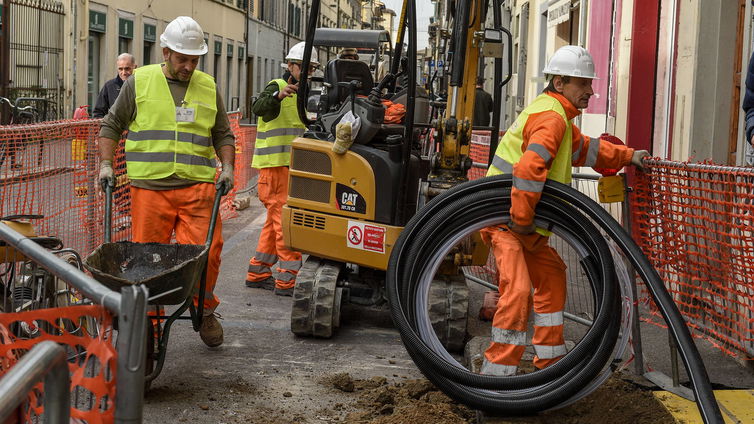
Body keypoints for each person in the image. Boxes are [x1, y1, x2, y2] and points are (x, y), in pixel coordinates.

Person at [480, 45, 649, 376]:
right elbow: (529, 170)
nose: (591, 91)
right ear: (560, 83)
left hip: (523, 223)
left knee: (553, 276)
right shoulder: (552, 118)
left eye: (590, 83)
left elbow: (589, 150)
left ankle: (550, 367)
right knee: (517, 291)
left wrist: (628, 157)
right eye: (583, 83)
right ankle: (497, 379)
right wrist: (523, 220)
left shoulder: (558, 118)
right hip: (507, 219)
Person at [97, 16, 235, 348]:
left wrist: (228, 166)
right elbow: (111, 124)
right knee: (147, 264)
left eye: (194, 59)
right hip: (150, 190)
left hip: (197, 189)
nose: (189, 66)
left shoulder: (208, 85)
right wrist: (105, 164)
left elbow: (222, 133)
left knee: (209, 253)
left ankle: (204, 310)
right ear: (165, 52)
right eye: (182, 58)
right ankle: (149, 324)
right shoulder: (139, 81)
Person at [245, 42, 318, 297]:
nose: (307, 72)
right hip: (275, 167)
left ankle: (258, 271)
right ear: (291, 66)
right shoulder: (277, 86)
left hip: (289, 167)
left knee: (274, 222)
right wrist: (279, 95)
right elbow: (259, 108)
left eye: (312, 68)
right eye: (304, 67)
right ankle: (288, 279)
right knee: (285, 221)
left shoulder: (306, 94)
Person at [93, 53, 137, 118]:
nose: (124, 73)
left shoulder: (142, 85)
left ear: (135, 67)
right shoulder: (109, 86)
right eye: (120, 69)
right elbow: (99, 112)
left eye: (127, 69)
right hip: (116, 127)